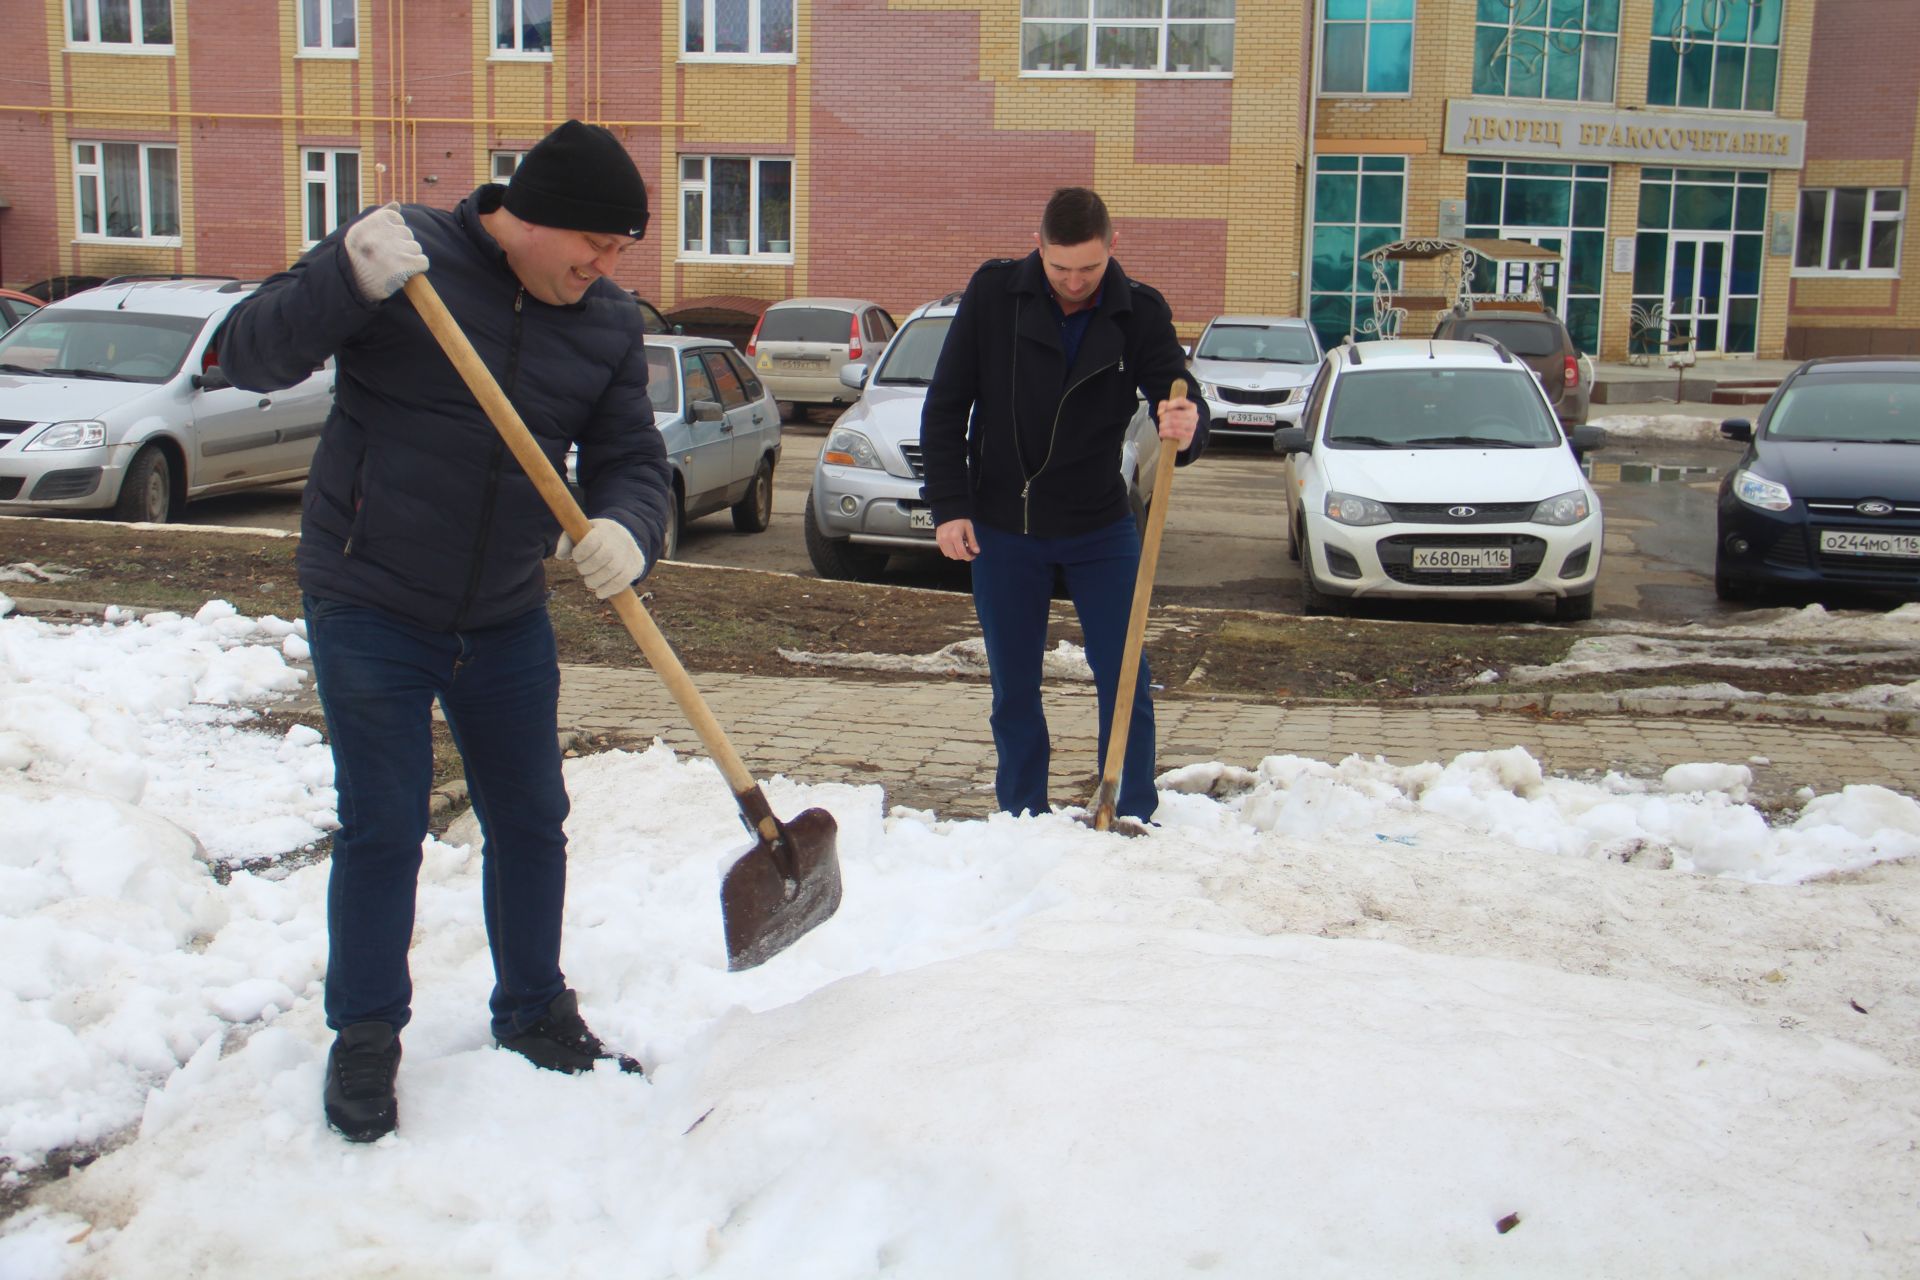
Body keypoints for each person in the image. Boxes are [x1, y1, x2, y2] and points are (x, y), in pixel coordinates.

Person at [219, 119, 672, 1143]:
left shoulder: (603, 324)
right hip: (369, 591)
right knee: (384, 821)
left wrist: (628, 528)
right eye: (595, 246)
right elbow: (246, 354)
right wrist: (343, 274)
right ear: (531, 218)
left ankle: (535, 1010)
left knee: (530, 815)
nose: (604, 270)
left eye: (618, 254)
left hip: (504, 606)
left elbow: (632, 461)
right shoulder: (405, 258)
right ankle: (367, 1035)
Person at [919, 187, 1207, 824]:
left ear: (1113, 247)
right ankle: (1024, 816)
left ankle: (1128, 809)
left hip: (1099, 525)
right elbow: (945, 405)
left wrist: (1186, 423)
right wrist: (949, 505)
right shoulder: (995, 297)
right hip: (1004, 525)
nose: (1075, 282)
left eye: (1090, 268)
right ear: (1039, 246)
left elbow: (1181, 397)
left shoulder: (1138, 311)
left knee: (1125, 672)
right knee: (1014, 686)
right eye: (1060, 268)